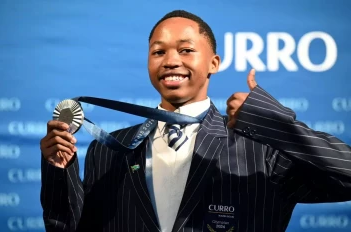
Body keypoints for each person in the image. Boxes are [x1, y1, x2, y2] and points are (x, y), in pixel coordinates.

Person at [39, 10, 351, 232]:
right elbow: (67, 227)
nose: (171, 60)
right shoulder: (108, 150)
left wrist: (274, 123)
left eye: (186, 50)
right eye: (158, 52)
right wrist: (58, 170)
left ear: (214, 63)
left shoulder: (263, 149)